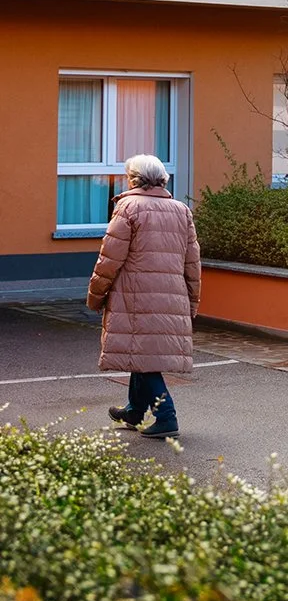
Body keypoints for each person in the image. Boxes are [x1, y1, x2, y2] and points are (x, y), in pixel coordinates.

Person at [87, 153, 201, 438]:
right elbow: (192, 262)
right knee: (141, 351)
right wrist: (192, 299)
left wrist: (96, 295)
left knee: (144, 355)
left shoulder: (128, 208)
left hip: (135, 297)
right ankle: (135, 411)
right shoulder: (181, 210)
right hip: (171, 296)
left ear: (133, 179)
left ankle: (166, 416)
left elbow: (109, 259)